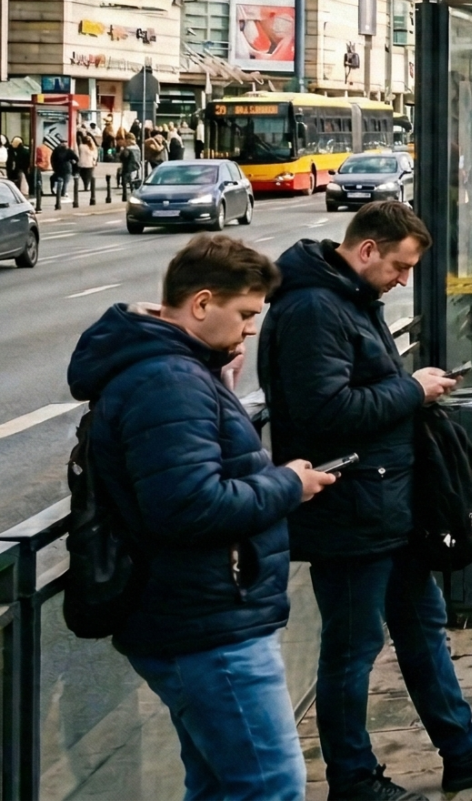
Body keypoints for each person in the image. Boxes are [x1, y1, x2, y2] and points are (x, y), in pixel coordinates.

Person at [262, 201, 472, 801]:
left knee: (422, 629)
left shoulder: (348, 297)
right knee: (353, 649)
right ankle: (353, 778)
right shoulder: (314, 308)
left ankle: (464, 751)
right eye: (399, 266)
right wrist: (413, 389)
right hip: (349, 508)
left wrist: (413, 389)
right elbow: (325, 411)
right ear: (366, 250)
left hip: (387, 500)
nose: (403, 280)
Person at [69, 236, 333, 801]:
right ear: (202, 303)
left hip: (195, 613)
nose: (251, 329)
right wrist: (289, 484)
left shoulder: (175, 370)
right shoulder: (168, 382)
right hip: (206, 623)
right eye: (245, 314)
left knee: (218, 783)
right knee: (271, 785)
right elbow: (188, 506)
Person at [76, 130, 99, 205]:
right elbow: (95, 155)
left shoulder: (81, 146)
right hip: (90, 164)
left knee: (83, 176)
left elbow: (78, 152)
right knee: (89, 176)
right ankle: (87, 185)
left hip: (82, 164)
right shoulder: (93, 147)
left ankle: (85, 185)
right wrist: (95, 161)